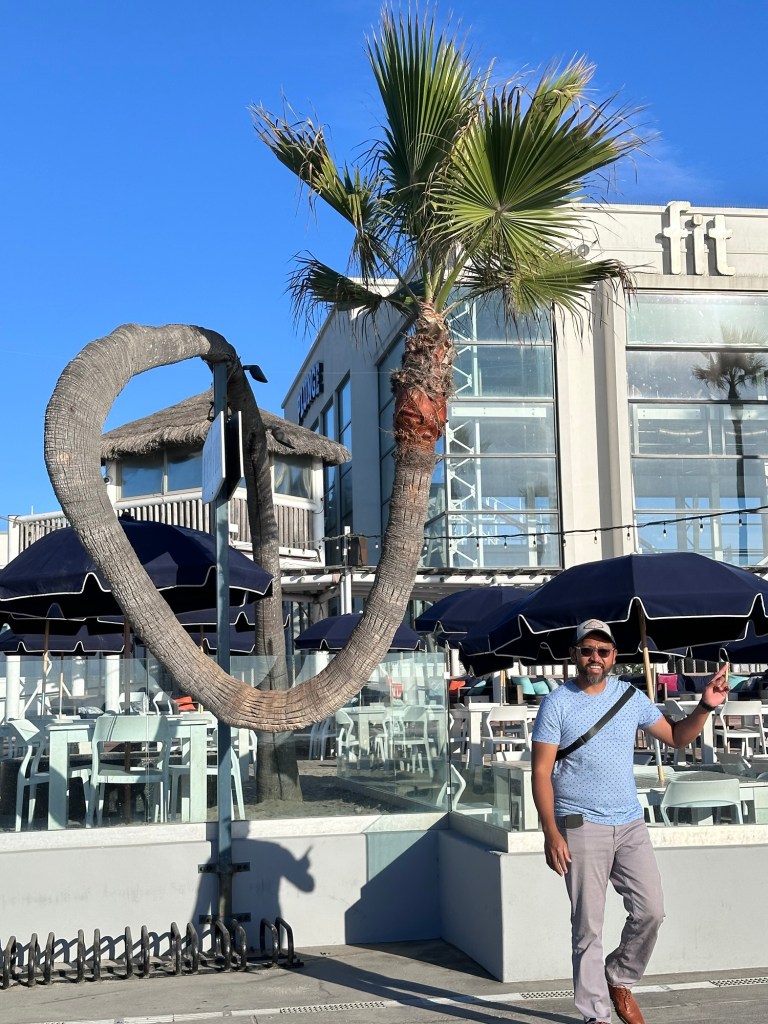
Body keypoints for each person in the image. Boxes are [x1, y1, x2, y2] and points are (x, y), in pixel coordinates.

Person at [531, 618, 729, 1024]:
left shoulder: (630, 697)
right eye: (587, 650)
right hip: (580, 824)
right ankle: (596, 1016)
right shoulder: (557, 704)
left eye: (603, 651)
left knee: (651, 910)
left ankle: (619, 976)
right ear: (574, 654)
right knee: (587, 928)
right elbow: (540, 771)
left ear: (614, 657)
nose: (595, 657)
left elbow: (677, 737)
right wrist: (551, 832)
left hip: (630, 823)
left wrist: (706, 706)